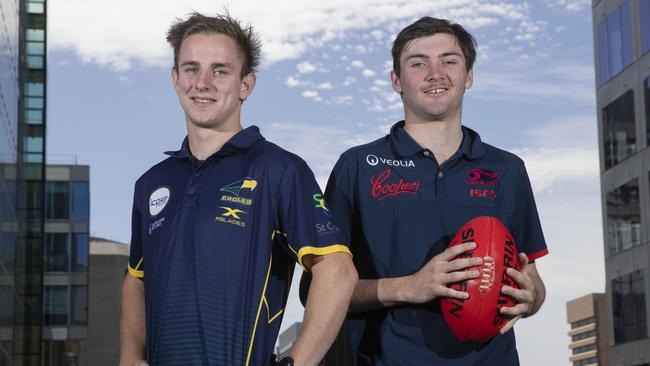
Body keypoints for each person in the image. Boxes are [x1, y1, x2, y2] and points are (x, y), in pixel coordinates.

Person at [119, 12, 357, 366]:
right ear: (175, 78)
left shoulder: (278, 169)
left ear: (246, 84)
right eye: (190, 68)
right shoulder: (152, 182)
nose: (202, 82)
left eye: (220, 70)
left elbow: (337, 270)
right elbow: (136, 279)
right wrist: (129, 355)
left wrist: (299, 362)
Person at [321, 17, 548, 365]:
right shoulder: (358, 166)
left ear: (468, 75)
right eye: (418, 63)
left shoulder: (508, 169)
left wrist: (531, 297)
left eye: (449, 60)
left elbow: (531, 279)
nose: (435, 72)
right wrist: (407, 287)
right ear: (396, 81)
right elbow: (317, 291)